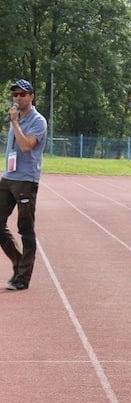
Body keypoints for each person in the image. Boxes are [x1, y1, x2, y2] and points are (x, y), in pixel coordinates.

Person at [1, 80, 47, 291]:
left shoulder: (38, 121)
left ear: (31, 97)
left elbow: (27, 146)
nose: (18, 97)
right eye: (15, 94)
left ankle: (23, 277)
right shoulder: (15, 117)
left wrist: (15, 124)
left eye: (22, 94)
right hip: (9, 176)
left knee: (25, 228)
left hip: (26, 180)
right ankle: (18, 261)